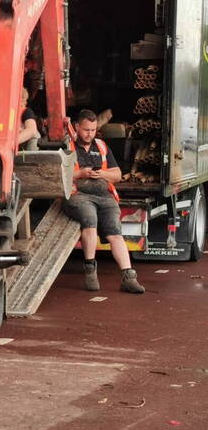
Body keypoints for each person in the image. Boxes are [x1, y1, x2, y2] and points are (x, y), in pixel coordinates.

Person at [64, 109, 144, 293]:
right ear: (77, 127)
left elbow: (117, 174)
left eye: (92, 130)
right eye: (86, 130)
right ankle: (90, 270)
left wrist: (102, 174)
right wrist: (80, 174)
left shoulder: (101, 145)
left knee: (115, 233)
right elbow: (56, 175)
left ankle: (128, 277)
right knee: (89, 220)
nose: (89, 134)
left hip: (105, 196)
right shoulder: (67, 147)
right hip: (79, 196)